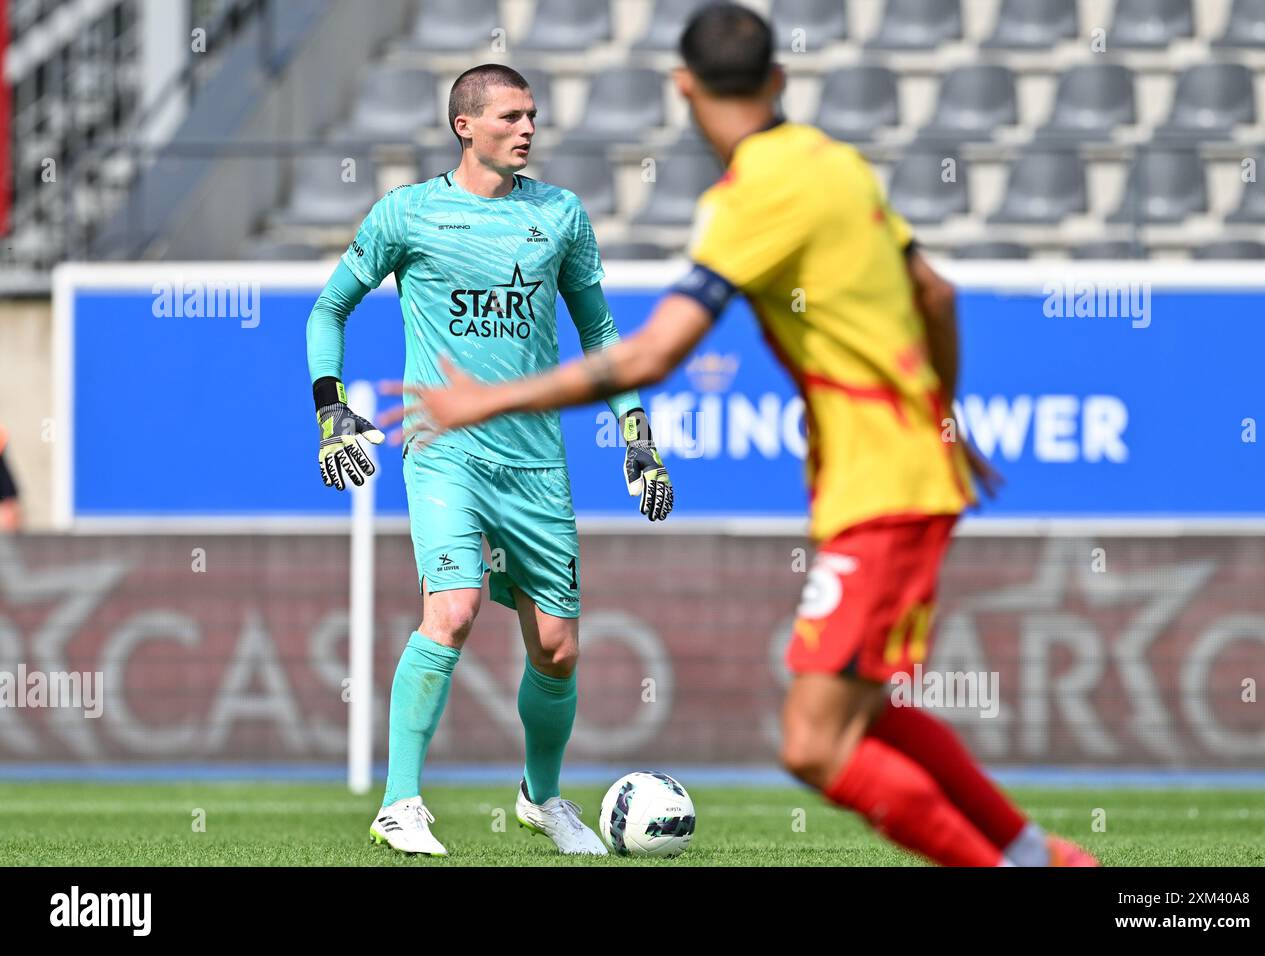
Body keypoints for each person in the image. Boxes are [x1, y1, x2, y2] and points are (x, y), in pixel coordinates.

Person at [381, 6, 1097, 866]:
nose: (529, 130)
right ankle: (1040, 857)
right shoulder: (837, 163)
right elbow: (936, 295)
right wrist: (945, 416)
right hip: (903, 473)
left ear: (685, 87)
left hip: (881, 488)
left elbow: (648, 353)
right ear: (780, 78)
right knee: (869, 709)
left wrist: (483, 402)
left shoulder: (753, 193)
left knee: (813, 744)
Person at [306, 64, 673, 857]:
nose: (528, 128)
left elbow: (602, 336)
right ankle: (400, 803)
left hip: (537, 465)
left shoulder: (561, 216)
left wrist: (637, 439)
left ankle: (541, 801)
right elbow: (329, 308)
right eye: (511, 115)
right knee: (455, 607)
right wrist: (330, 409)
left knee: (559, 647)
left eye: (533, 115)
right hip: (445, 455)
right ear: (464, 125)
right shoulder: (407, 214)